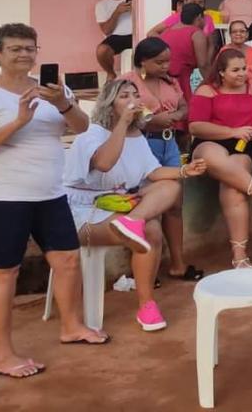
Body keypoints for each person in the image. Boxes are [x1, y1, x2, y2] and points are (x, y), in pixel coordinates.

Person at [0, 23, 108, 379]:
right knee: (3, 273)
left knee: (68, 261)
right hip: (3, 197)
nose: (25, 54)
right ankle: (2, 355)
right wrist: (21, 121)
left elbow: (83, 126)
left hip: (50, 193)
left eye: (30, 48)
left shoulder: (53, 88)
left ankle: (71, 327)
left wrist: (64, 104)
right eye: (15, 49)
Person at [63, 80, 207, 331]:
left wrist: (184, 170)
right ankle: (146, 302)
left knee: (171, 188)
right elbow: (105, 163)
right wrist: (122, 123)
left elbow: (153, 171)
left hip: (119, 205)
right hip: (83, 212)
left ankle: (146, 303)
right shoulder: (92, 132)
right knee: (151, 231)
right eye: (123, 96)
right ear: (109, 104)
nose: (132, 100)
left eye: (135, 95)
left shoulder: (137, 136)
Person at [120, 38, 203, 282]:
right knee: (145, 205)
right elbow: (115, 112)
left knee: (175, 204)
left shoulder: (171, 81)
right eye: (159, 62)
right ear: (143, 61)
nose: (166, 66)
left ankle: (178, 263)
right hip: (140, 143)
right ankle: (143, 269)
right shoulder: (127, 82)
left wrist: (174, 116)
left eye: (168, 61)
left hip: (169, 143)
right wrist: (150, 121)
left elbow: (184, 107)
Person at [188, 48, 252, 269]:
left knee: (233, 189)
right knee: (214, 157)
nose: (242, 74)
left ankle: (240, 256)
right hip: (211, 141)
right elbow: (196, 126)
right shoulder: (207, 91)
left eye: (244, 69)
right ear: (221, 72)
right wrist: (232, 131)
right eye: (235, 70)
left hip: (243, 145)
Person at [160, 3, 211, 102]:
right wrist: (211, 84)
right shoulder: (196, 33)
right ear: (199, 17)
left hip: (164, 81)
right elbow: (203, 64)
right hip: (184, 81)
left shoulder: (166, 32)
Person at [95, 0, 134, 80]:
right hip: (117, 37)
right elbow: (107, 31)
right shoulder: (101, 5)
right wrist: (117, 12)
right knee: (101, 50)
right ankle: (111, 73)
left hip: (136, 34)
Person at [147, 0, 216, 40]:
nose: (197, 5)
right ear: (185, 2)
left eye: (200, 2)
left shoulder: (207, 18)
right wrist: (167, 43)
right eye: (193, 2)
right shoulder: (177, 17)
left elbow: (211, 42)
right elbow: (151, 33)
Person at [228, 20, 252, 87]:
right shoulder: (224, 50)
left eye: (242, 31)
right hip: (232, 89)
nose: (238, 34)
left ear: (247, 34)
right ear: (230, 35)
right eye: (234, 32)